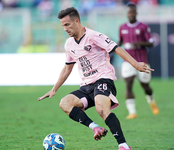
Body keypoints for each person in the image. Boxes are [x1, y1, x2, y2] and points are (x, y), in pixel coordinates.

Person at [38, 7, 153, 150]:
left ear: (77, 21)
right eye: (63, 26)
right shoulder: (69, 44)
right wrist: (54, 89)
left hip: (104, 80)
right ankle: (95, 128)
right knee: (65, 103)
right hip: (86, 86)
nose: (65, 29)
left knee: (101, 108)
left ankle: (123, 146)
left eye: (67, 25)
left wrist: (135, 64)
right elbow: (68, 68)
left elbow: (117, 48)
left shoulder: (94, 36)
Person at [118, 3, 159, 120]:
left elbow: (151, 43)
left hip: (142, 60)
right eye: (129, 12)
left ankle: (151, 101)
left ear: (136, 13)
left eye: (132, 12)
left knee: (145, 86)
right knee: (128, 84)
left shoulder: (143, 27)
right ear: (127, 14)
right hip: (127, 61)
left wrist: (138, 43)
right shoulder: (122, 27)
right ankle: (132, 112)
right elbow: (120, 42)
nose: (130, 14)